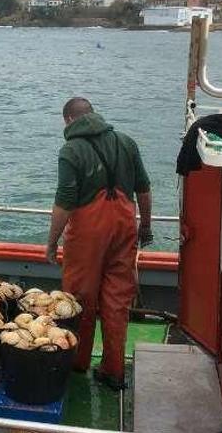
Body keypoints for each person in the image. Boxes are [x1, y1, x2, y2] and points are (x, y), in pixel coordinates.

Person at [45, 97, 153, 391]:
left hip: (88, 234)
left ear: (68, 120)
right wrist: (146, 225)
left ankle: (78, 363)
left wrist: (51, 243)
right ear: (93, 114)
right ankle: (113, 370)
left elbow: (65, 202)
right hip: (124, 227)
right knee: (117, 300)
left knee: (79, 297)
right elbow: (143, 188)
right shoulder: (126, 142)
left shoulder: (71, 150)